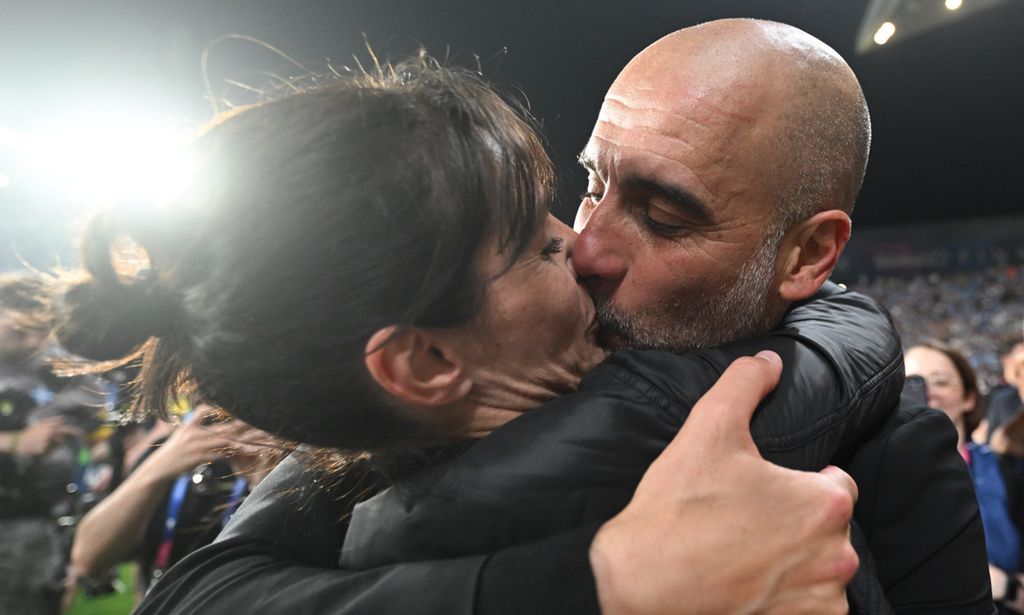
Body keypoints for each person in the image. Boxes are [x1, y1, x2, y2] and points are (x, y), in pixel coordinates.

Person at [48, 53, 866, 614]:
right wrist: (602, 580)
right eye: (534, 246)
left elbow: (193, 590)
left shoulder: (358, 469)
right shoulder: (654, 455)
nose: (580, 242)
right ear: (424, 359)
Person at [332, 19, 990, 613]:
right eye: (592, 188)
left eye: (665, 218)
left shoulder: (896, 456)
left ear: (808, 254)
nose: (585, 247)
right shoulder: (472, 384)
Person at [67, 404, 282, 601]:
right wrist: (161, 464)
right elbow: (88, 559)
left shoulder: (289, 456)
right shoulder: (174, 446)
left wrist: (266, 486)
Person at [0, 272, 106, 615]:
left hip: (46, 521)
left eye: (43, 331)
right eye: (20, 332)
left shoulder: (60, 369)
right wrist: (15, 442)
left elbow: (100, 426)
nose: (34, 342)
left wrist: (106, 460)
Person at [906, 342, 1024, 614]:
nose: (927, 393)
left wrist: (1006, 587)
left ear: (968, 397)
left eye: (940, 381)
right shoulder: (869, 478)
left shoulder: (1005, 469)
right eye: (912, 383)